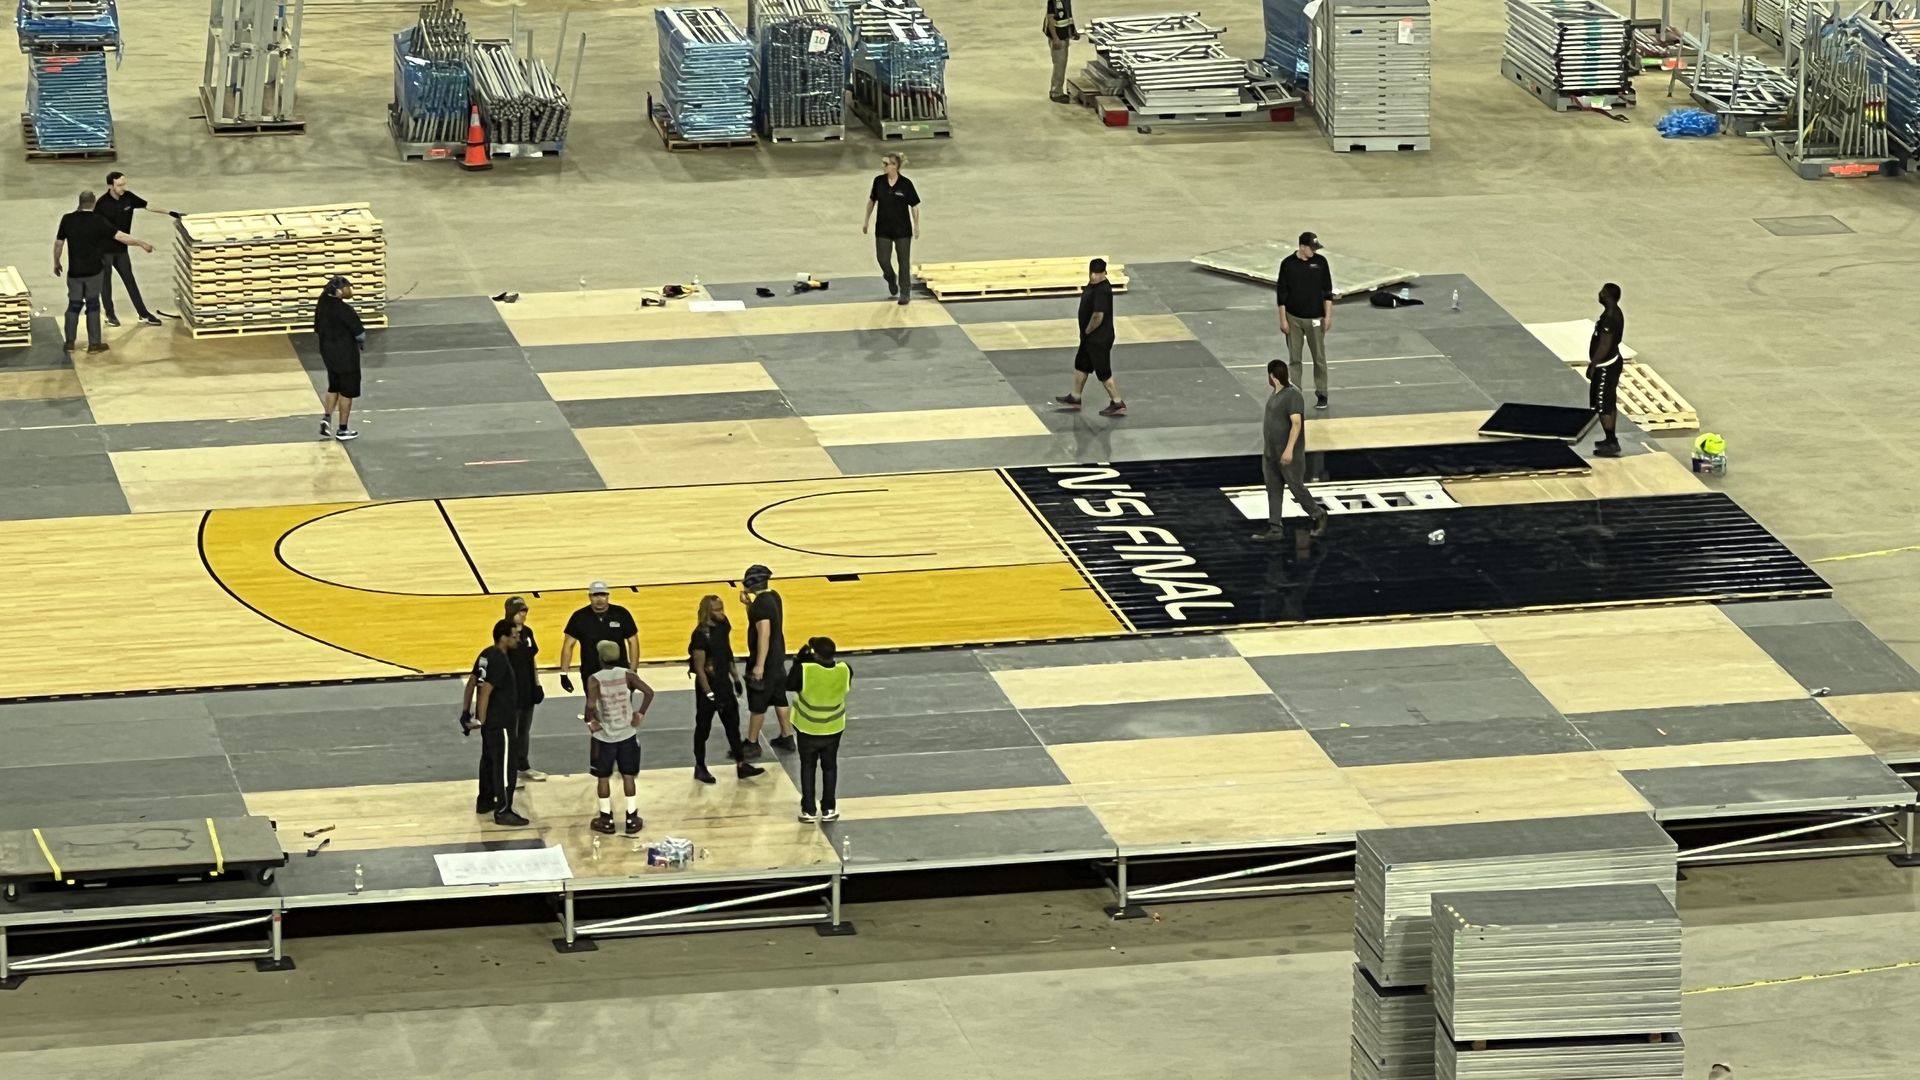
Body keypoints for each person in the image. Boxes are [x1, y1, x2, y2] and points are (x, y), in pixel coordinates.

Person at [54, 191, 151, 354]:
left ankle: (69, 343)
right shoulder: (98, 220)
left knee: (73, 305)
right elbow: (120, 237)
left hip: (75, 272)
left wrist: (56, 263)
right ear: (93, 203)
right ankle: (94, 345)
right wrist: (141, 243)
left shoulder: (67, 219)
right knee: (93, 305)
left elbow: (58, 243)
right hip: (94, 271)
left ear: (80, 202)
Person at [688, 594, 765, 783]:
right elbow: (699, 667)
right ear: (707, 611)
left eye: (722, 608)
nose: (721, 612)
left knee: (733, 726)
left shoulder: (723, 625)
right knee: (703, 729)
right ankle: (700, 766)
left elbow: (727, 651)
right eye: (716, 609)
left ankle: (741, 764)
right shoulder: (700, 634)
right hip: (709, 688)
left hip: (724, 685)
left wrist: (736, 678)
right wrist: (708, 692)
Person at [584, 640, 655, 836]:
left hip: (604, 737)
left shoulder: (595, 679)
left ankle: (605, 819)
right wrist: (639, 714)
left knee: (603, 777)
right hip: (627, 735)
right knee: (628, 776)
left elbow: (591, 706)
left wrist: (590, 723)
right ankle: (632, 817)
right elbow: (649, 692)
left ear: (600, 657)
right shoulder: (628, 675)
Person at [1253, 359, 1327, 542]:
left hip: (1287, 454)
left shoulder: (1292, 395)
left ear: (1271, 376)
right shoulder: (1276, 393)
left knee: (1296, 487)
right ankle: (1275, 527)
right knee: (1273, 488)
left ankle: (1318, 514)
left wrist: (1289, 450)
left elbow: (1296, 424)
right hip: (1271, 453)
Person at [94, 171, 179, 327]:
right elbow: (117, 235)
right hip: (103, 250)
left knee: (130, 280)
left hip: (121, 250)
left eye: (124, 184)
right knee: (106, 284)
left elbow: (147, 205)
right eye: (119, 185)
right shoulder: (102, 205)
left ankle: (143, 314)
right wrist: (141, 243)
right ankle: (110, 315)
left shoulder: (128, 197)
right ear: (110, 186)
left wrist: (170, 212)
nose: (122, 187)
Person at [465, 619, 528, 827]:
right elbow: (486, 689)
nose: (517, 639)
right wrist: (480, 719)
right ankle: (503, 810)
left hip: (491, 723)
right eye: (514, 636)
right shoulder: (500, 659)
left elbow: (473, 681)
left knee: (489, 762)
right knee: (505, 766)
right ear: (503, 637)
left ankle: (484, 801)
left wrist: (466, 712)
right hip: (500, 722)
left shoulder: (486, 654)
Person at [788, 636, 851, 823]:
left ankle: (808, 810)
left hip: (808, 728)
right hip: (833, 727)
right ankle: (829, 808)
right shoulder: (845, 670)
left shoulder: (805, 670)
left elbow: (789, 684)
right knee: (830, 766)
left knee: (808, 766)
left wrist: (798, 661)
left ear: (814, 653)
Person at [1053, 258, 1124, 417]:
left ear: (1105, 273)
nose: (1094, 276)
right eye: (1092, 273)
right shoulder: (1093, 285)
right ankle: (1075, 397)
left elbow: (1098, 316)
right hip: (1089, 338)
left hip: (1098, 338)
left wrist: (1087, 330)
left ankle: (1117, 402)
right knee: (1081, 364)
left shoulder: (1102, 290)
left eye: (1098, 274)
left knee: (1103, 372)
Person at [739, 564, 795, 757]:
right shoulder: (773, 597)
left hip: (766, 661)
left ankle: (752, 743)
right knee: (779, 697)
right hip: (778, 657)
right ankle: (787, 736)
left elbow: (764, 633)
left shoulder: (760, 605)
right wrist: (748, 605)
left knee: (758, 702)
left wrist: (759, 665)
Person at [1276, 231, 1335, 410]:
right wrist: (1283, 320)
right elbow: (1281, 295)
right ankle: (1296, 394)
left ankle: (1322, 392)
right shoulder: (1288, 264)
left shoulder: (1320, 263)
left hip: (1316, 318)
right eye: (1312, 248)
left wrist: (1328, 316)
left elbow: (1327, 291)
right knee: (1294, 358)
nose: (1314, 252)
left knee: (1319, 357)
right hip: (1293, 318)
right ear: (1302, 247)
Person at [558, 581, 639, 696]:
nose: (599, 599)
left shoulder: (621, 614)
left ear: (607, 596)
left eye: (602, 595)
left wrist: (633, 670)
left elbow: (633, 641)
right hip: (591, 672)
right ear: (589, 596)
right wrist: (564, 673)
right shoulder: (579, 617)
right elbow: (568, 645)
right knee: (594, 708)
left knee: (621, 707)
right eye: (596, 595)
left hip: (619, 672)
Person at [862, 152, 920, 305]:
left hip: (902, 230)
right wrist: (866, 221)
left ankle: (905, 292)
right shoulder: (879, 182)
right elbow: (871, 201)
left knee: (904, 261)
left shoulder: (906, 184)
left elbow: (914, 206)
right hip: (883, 229)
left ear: (894, 166)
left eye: (886, 164)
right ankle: (890, 277)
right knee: (883, 259)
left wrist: (916, 225)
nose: (883, 166)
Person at [315, 276, 366, 441]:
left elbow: (317, 328)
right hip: (346, 355)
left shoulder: (322, 305)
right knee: (347, 391)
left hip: (328, 353)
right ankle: (343, 429)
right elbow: (360, 335)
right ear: (339, 291)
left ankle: (327, 418)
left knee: (333, 387)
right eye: (347, 288)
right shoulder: (345, 310)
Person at [504, 596, 547, 784]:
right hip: (511, 691)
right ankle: (510, 771)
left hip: (527, 688)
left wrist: (537, 684)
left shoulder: (528, 632)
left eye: (525, 611)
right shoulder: (504, 632)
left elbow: (532, 659)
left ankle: (523, 766)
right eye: (520, 611)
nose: (523, 615)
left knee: (524, 731)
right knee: (511, 733)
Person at [1587, 282, 1626, 458]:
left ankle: (1611, 442)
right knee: (1606, 402)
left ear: (1608, 297)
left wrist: (1593, 364)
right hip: (1609, 364)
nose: (1599, 294)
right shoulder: (1613, 313)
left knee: (1604, 404)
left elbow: (1604, 344)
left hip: (1606, 367)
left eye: (1602, 292)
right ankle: (1609, 439)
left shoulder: (1610, 317)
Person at [1043, 0, 1079, 103]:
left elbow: (1068, 16)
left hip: (1064, 35)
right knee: (1059, 65)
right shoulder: (1054, 1)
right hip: (1058, 38)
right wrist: (1055, 38)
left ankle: (1058, 90)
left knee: (1062, 64)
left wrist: (1073, 30)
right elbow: (1050, 19)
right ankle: (1056, 93)